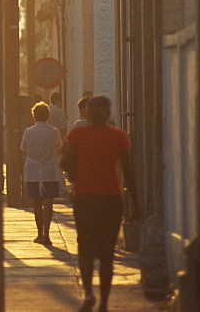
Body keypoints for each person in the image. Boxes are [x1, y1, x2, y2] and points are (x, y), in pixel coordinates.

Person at [61, 94, 142, 312]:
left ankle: (88, 294)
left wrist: (75, 173)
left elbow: (63, 161)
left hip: (85, 197)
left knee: (85, 247)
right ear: (108, 113)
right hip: (110, 198)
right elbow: (129, 171)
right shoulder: (118, 136)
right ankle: (104, 302)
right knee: (107, 252)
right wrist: (136, 203)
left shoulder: (78, 135)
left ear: (87, 113)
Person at [20, 101, 63, 245]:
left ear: (34, 116)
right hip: (49, 169)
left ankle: (39, 234)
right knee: (48, 202)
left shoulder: (28, 131)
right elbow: (59, 148)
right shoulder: (54, 131)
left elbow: (23, 149)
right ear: (48, 116)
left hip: (32, 169)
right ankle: (47, 234)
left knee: (36, 203)